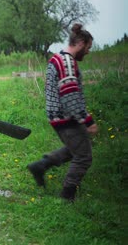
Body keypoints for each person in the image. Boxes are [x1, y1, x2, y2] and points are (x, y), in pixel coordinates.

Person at [27, 23, 98, 202]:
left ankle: (41, 166)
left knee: (75, 149)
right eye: (88, 47)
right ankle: (67, 196)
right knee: (83, 156)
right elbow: (70, 95)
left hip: (58, 116)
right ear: (80, 43)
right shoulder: (66, 62)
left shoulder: (57, 58)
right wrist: (87, 120)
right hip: (66, 117)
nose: (88, 52)